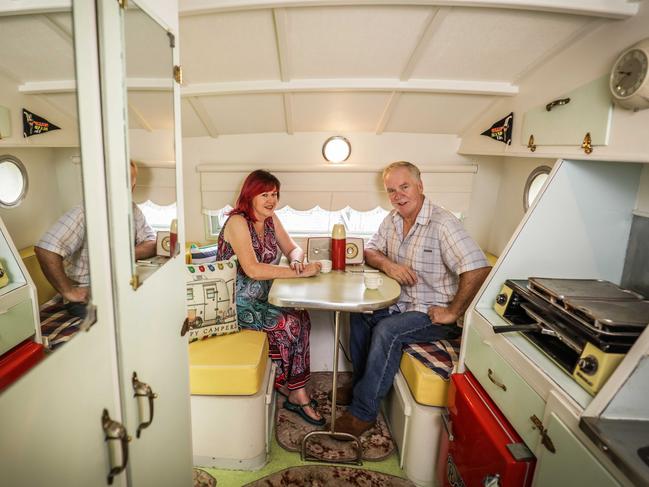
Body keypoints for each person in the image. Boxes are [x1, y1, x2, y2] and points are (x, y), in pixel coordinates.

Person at [334, 161, 491, 437]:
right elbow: (370, 250)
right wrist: (389, 265)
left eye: (404, 187)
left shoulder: (443, 223)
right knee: (360, 314)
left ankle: (363, 413)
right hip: (399, 304)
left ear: (420, 186)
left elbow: (478, 268)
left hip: (433, 313)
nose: (398, 195)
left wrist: (453, 312)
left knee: (386, 331)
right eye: (391, 190)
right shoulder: (392, 219)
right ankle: (361, 383)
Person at [215, 169, 325, 426]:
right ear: (250, 195)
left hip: (263, 300)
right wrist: (299, 274)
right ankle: (295, 392)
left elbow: (292, 247)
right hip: (234, 305)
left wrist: (297, 259)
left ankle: (293, 389)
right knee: (290, 324)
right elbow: (252, 269)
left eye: (274, 194)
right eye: (264, 194)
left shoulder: (271, 219)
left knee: (302, 317)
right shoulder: (237, 222)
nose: (271, 200)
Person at [35, 160, 156, 318]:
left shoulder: (132, 209)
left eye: (128, 181)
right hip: (90, 294)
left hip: (119, 288)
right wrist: (69, 292)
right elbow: (45, 249)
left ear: (132, 186)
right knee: (130, 320)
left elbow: (151, 243)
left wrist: (123, 254)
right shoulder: (84, 213)